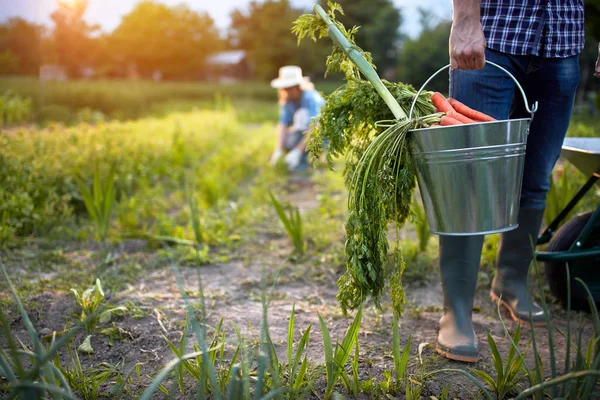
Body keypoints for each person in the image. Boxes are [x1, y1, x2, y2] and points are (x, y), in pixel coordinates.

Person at [436, 0, 587, 362]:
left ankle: (511, 281)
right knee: (469, 178)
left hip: (563, 41)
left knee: (536, 175)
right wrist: (465, 20)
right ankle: (455, 311)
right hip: (494, 35)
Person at [270, 66, 324, 172]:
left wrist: (298, 150)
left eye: (289, 89)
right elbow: (283, 126)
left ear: (298, 87)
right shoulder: (288, 101)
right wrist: (278, 149)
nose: (286, 92)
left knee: (302, 115)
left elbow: (315, 127)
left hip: (323, 135)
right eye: (284, 89)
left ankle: (308, 158)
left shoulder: (311, 98)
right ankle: (294, 155)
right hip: (303, 133)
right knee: (288, 142)